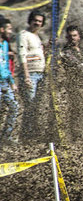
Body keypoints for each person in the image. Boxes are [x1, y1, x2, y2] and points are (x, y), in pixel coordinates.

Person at [17, 9, 47, 142]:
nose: (37, 23)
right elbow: (22, 55)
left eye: (40, 21)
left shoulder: (36, 37)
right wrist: (27, 75)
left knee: (36, 105)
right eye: (35, 20)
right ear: (30, 20)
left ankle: (32, 133)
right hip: (30, 74)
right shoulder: (23, 35)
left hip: (40, 73)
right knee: (30, 105)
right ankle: (26, 135)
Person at [59, 25, 83, 140]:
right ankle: (76, 134)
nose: (73, 38)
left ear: (79, 36)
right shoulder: (65, 52)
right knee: (76, 108)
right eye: (70, 36)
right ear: (66, 37)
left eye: (75, 35)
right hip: (73, 83)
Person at [0, 18, 18, 146]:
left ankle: (6, 135)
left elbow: (6, 65)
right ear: (1, 29)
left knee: (14, 107)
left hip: (5, 82)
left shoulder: (5, 45)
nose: (10, 32)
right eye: (9, 29)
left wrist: (12, 82)